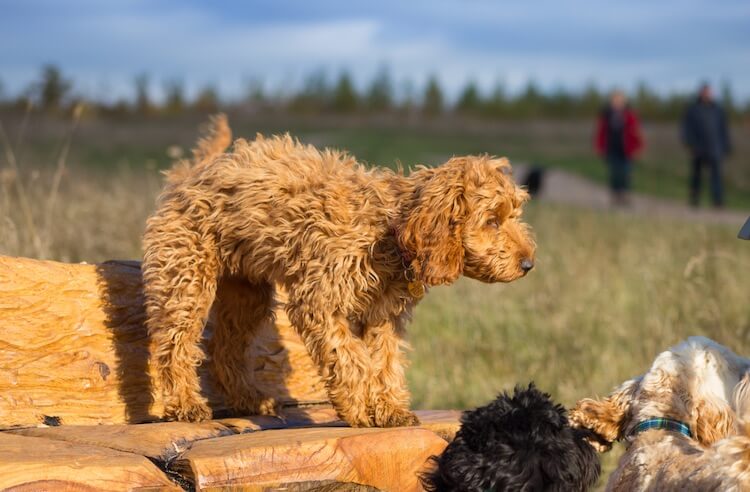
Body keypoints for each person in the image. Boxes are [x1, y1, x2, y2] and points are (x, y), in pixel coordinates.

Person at [681, 83, 732, 208]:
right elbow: (687, 128)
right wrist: (689, 143)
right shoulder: (693, 109)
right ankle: (694, 199)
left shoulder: (718, 110)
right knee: (696, 175)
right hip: (698, 147)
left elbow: (723, 129)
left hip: (714, 147)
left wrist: (726, 145)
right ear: (700, 93)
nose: (707, 95)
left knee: (716, 177)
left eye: (709, 92)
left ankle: (717, 201)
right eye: (704, 92)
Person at [595, 90, 643, 206]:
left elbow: (637, 132)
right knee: (614, 173)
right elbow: (601, 133)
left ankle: (625, 196)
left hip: (626, 150)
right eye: (615, 100)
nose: (617, 103)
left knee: (626, 174)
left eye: (620, 100)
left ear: (624, 102)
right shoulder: (607, 115)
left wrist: (638, 147)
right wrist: (600, 147)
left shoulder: (630, 115)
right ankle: (615, 196)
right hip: (612, 149)